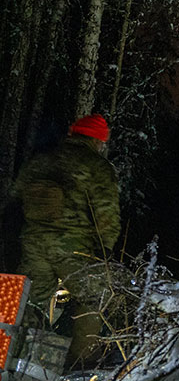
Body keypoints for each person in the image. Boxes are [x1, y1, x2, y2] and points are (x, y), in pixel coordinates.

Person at [13, 114, 121, 367]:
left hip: (32, 244)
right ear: (98, 140)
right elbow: (107, 216)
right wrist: (104, 250)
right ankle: (79, 364)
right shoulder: (96, 165)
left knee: (31, 303)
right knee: (96, 299)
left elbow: (15, 198)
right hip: (74, 248)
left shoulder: (41, 160)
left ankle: (22, 364)